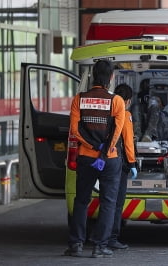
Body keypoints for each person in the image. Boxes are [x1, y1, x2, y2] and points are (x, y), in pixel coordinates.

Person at [65, 59, 125, 258]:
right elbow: (117, 131)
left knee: (81, 200)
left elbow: (75, 130)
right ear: (111, 77)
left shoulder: (79, 99)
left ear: (92, 75)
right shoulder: (117, 101)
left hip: (86, 157)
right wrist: (106, 149)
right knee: (108, 202)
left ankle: (76, 244)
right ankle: (100, 246)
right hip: (109, 159)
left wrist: (91, 146)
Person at [109, 84, 138, 250]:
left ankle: (102, 235)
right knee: (117, 202)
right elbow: (128, 142)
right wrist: (132, 163)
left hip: (104, 161)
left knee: (107, 200)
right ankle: (112, 237)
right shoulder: (125, 115)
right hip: (120, 163)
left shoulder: (108, 113)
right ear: (128, 101)